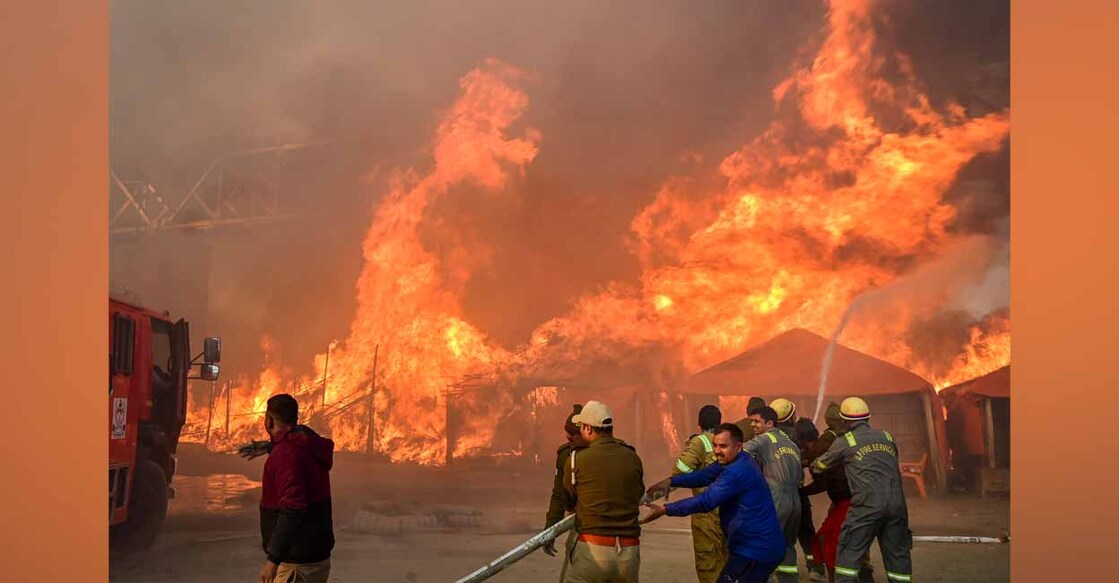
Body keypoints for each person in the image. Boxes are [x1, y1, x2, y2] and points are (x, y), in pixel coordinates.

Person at [642, 423, 785, 583]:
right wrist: (672, 481)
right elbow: (704, 475)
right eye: (715, 445)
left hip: (755, 550)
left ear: (738, 446)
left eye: (723, 446)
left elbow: (706, 501)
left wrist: (665, 509)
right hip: (753, 547)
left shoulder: (737, 471)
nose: (717, 451)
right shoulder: (734, 460)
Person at [810, 397, 913, 583]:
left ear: (844, 421)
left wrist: (811, 464)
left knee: (849, 551)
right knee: (898, 555)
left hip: (867, 505)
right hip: (897, 504)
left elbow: (820, 465)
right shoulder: (887, 437)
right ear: (868, 418)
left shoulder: (846, 441)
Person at [562, 400, 645, 583]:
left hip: (593, 549)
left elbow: (569, 499)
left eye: (581, 426)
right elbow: (638, 493)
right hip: (629, 552)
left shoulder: (576, 459)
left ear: (588, 428)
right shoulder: (632, 457)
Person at [255, 394, 335, 583]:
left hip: (296, 563)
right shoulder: (306, 444)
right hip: (316, 558)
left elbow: (292, 508)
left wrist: (273, 560)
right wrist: (273, 446)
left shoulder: (286, 454)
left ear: (269, 420)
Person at [800, 403, 873, 582]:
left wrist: (802, 488)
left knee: (830, 539)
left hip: (847, 500)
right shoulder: (855, 437)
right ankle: (863, 571)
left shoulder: (829, 442)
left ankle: (844, 575)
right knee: (854, 537)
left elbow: (822, 479)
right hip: (856, 496)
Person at [671, 405, 729, 583]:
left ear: (699, 423)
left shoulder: (699, 442)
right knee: (728, 559)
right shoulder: (728, 441)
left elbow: (680, 470)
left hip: (706, 513)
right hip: (729, 510)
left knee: (708, 562)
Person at [744, 405, 802, 583]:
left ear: (769, 423)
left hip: (776, 498)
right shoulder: (791, 444)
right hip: (795, 501)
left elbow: (740, 451)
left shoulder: (764, 439)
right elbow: (800, 478)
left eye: (756, 421)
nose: (752, 425)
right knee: (786, 545)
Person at [543, 404, 589, 581]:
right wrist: (550, 531)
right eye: (567, 432)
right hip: (580, 527)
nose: (569, 437)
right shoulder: (565, 455)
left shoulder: (607, 454)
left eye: (574, 433)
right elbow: (559, 495)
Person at [794, 417, 827, 582]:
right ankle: (817, 568)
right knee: (808, 534)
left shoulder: (811, 452)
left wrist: (802, 491)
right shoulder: (822, 446)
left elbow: (822, 483)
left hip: (790, 496)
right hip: (799, 497)